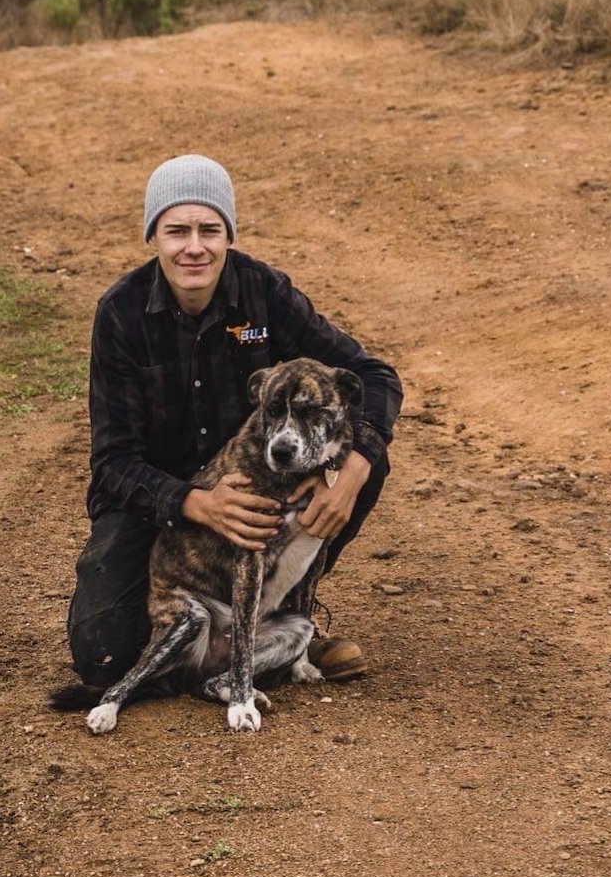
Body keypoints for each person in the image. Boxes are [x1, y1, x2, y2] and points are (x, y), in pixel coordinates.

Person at [66, 154, 402, 688]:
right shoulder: (121, 314)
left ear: (228, 235)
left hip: (258, 489)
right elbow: (113, 463)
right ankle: (236, 633)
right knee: (103, 656)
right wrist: (197, 503)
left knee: (360, 457)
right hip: (161, 506)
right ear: (153, 235)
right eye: (177, 230)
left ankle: (284, 619)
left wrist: (352, 473)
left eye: (209, 229)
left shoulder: (264, 292)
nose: (193, 246)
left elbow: (373, 376)